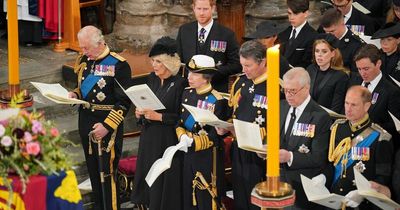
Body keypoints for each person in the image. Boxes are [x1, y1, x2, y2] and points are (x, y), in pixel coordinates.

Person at [69, 25, 132, 210]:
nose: (83, 52)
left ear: (100, 43)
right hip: (86, 122)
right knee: (94, 174)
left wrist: (107, 126)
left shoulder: (119, 65)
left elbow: (124, 103)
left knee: (107, 174)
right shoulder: (85, 59)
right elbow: (81, 87)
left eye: (86, 47)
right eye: (81, 47)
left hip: (106, 127)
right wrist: (75, 94)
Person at [130, 36, 186, 210]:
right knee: (147, 173)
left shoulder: (180, 84)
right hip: (149, 136)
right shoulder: (152, 78)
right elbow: (146, 102)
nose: (154, 65)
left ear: (169, 63)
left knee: (162, 178)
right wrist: (139, 112)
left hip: (166, 139)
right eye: (153, 61)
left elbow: (180, 117)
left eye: (158, 61)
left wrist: (159, 117)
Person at [314, 86, 393, 209]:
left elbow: (383, 178)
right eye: (346, 103)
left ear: (366, 106)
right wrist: (324, 176)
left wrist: (363, 193)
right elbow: (330, 162)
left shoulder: (380, 137)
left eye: (354, 105)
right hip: (334, 200)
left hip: (361, 205)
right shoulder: (337, 128)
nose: (348, 109)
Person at [176, 54, 228, 210]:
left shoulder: (217, 100)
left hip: (207, 157)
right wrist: (182, 136)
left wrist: (194, 141)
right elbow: (180, 122)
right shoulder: (187, 93)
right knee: (188, 197)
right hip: (187, 153)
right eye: (189, 72)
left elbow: (215, 135)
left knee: (205, 199)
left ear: (206, 78)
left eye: (194, 74)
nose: (189, 77)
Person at [221, 40, 268, 210]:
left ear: (262, 62)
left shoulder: (276, 88)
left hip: (259, 152)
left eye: (248, 65)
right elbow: (233, 114)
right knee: (240, 196)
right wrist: (224, 126)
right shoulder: (240, 83)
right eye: (242, 65)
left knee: (257, 200)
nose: (243, 70)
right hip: (238, 148)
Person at [279, 67, 331, 209]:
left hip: (301, 186)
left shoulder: (320, 116)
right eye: (285, 90)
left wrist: (290, 157)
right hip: (278, 181)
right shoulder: (281, 107)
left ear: (306, 88)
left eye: (293, 91)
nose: (288, 95)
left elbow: (319, 157)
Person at [176, 0, 242, 93]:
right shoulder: (184, 31)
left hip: (216, 90)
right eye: (199, 9)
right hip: (188, 90)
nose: (201, 13)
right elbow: (178, 61)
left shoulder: (226, 34)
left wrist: (211, 72)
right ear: (193, 8)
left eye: (205, 9)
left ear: (213, 8)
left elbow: (237, 65)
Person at [349, 44, 400, 151]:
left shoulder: (392, 91)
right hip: (350, 143)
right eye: (359, 69)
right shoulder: (354, 82)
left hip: (376, 148)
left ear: (378, 64)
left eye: (366, 69)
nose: (362, 73)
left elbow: (394, 128)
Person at [306, 34, 349, 113]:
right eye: (317, 51)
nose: (319, 55)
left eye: (324, 51)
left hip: (326, 119)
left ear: (333, 53)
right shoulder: (310, 69)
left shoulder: (341, 76)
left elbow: (336, 108)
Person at [320, 8, 365, 73]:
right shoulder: (322, 37)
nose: (328, 35)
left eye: (332, 31)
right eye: (326, 31)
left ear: (342, 23)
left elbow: (355, 74)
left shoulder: (357, 45)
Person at [278, 0, 317, 69]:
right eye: (289, 13)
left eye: (295, 14)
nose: (291, 17)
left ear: (306, 13)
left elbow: (307, 64)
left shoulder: (313, 36)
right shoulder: (283, 32)